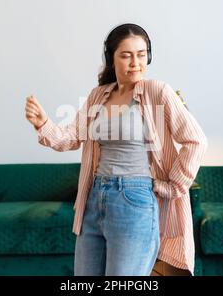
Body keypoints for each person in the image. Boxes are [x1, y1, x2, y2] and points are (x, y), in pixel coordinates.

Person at [25, 23, 208, 276]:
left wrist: (173, 186)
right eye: (126, 55)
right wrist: (43, 123)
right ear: (111, 58)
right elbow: (70, 137)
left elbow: (195, 140)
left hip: (134, 199)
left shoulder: (158, 92)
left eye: (141, 54)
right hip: (95, 196)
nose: (136, 62)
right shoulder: (98, 96)